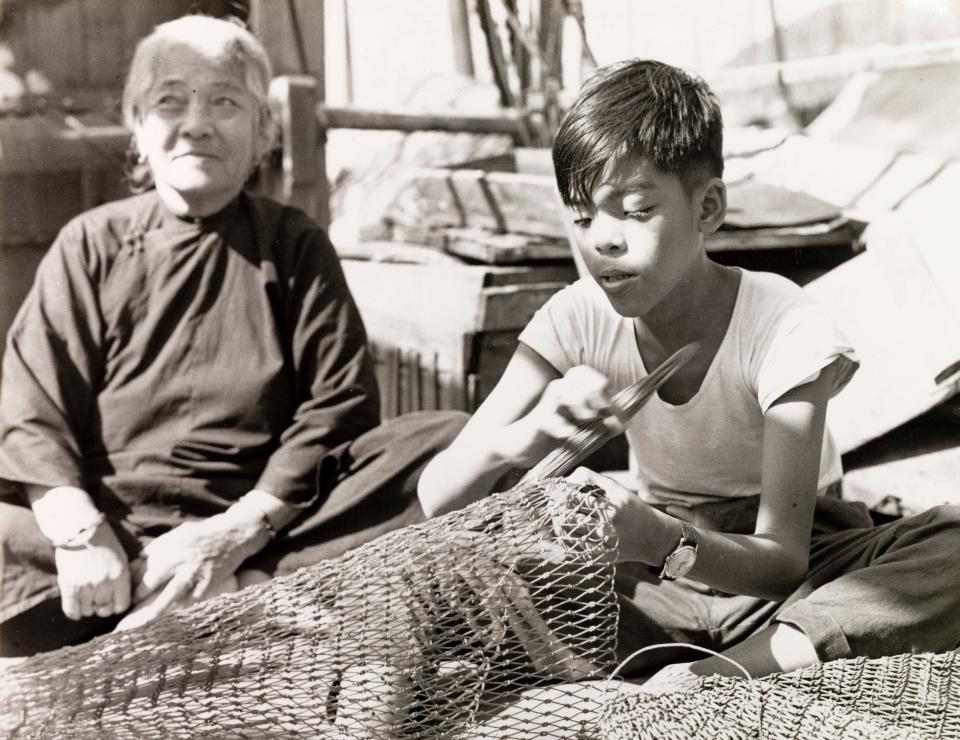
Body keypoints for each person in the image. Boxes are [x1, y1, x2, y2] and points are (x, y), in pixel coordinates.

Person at [417, 59, 960, 689]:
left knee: (952, 548)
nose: (602, 243)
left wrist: (662, 540)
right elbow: (438, 496)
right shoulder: (575, 317)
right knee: (464, 571)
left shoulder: (785, 325)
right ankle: (704, 662)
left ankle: (721, 674)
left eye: (635, 209)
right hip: (654, 581)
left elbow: (783, 561)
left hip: (794, 573)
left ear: (708, 209)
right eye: (582, 217)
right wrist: (523, 439)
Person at [0, 14, 464, 658]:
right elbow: (31, 409)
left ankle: (219, 590)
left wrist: (235, 534)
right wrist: (79, 535)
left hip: (262, 524)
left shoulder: (294, 244)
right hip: (104, 537)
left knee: (445, 443)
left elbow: (340, 406)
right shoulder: (92, 244)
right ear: (137, 127)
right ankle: (208, 600)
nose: (196, 123)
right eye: (170, 101)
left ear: (261, 132)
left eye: (224, 101)